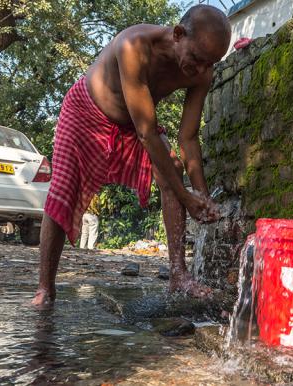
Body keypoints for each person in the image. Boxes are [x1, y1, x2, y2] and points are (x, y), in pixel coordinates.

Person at [32, 5, 231, 308]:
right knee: (62, 191)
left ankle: (179, 276)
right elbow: (147, 133)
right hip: (87, 110)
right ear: (178, 35)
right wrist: (186, 198)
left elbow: (188, 137)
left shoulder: (202, 71)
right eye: (197, 60)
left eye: (210, 64)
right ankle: (45, 289)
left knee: (172, 168)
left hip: (134, 123)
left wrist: (201, 195)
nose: (202, 70)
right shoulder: (134, 46)